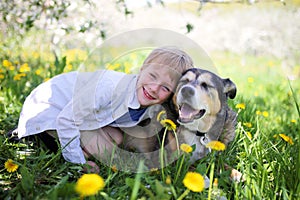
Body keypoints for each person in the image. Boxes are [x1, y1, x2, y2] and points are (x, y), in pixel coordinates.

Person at [12, 46, 194, 170]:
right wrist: (78, 164)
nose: (154, 88)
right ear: (142, 68)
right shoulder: (109, 87)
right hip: (49, 111)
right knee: (109, 153)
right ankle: (39, 138)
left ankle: (77, 144)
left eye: (165, 88)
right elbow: (66, 119)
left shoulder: (150, 102)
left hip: (77, 115)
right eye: (152, 76)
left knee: (117, 137)